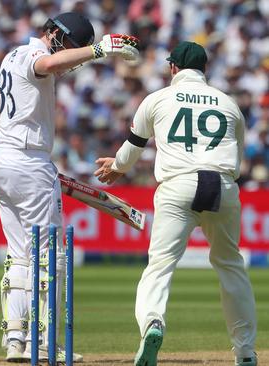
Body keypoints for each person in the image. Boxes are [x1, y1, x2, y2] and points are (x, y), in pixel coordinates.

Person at [0, 12, 140, 363]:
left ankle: (16, 340)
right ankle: (45, 341)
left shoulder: (11, 57)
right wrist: (99, 50)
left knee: (20, 254)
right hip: (30, 164)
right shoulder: (37, 55)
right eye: (72, 45)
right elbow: (49, 63)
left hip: (2, 162)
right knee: (52, 256)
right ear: (53, 34)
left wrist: (4, 143)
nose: (74, 56)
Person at [94, 41, 257, 366]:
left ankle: (153, 322)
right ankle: (246, 353)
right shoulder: (228, 103)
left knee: (160, 266)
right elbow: (237, 164)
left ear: (172, 68)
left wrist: (117, 167)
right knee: (230, 266)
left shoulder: (158, 98)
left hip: (178, 185)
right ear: (204, 70)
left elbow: (134, 144)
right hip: (222, 185)